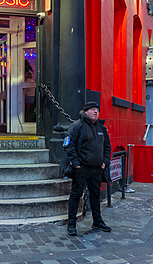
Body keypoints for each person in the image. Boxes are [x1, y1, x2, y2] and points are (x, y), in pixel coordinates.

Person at [64, 101, 112, 236]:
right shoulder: (77, 126)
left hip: (97, 168)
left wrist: (105, 162)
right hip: (82, 168)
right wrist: (76, 163)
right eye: (92, 109)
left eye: (97, 109)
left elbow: (107, 146)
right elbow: (68, 145)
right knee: (76, 194)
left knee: (95, 195)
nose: (96, 112)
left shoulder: (101, 128)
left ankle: (97, 221)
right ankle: (71, 224)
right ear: (85, 112)